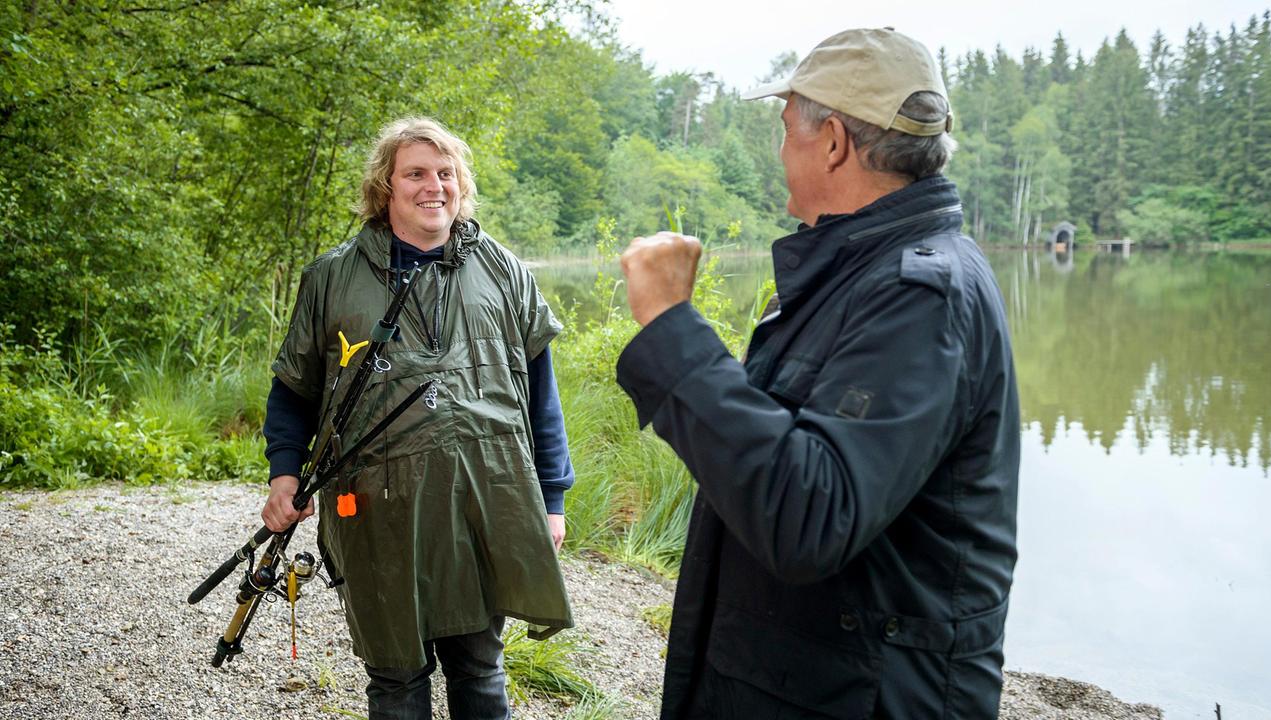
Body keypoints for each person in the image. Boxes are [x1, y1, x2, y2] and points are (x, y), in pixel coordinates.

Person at [615, 28, 1020, 720]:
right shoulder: (857, 277)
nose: (779, 152)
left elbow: (809, 516)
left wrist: (674, 329)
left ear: (832, 141)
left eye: (785, 131)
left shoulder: (921, 295)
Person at [259, 117, 575, 720]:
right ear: (386, 187)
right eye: (416, 173)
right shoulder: (333, 277)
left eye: (445, 172)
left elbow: (542, 393)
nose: (435, 186)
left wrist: (552, 498)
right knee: (396, 673)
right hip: (378, 505)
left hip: (486, 495)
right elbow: (293, 391)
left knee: (479, 663)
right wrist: (284, 475)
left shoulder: (504, 271)